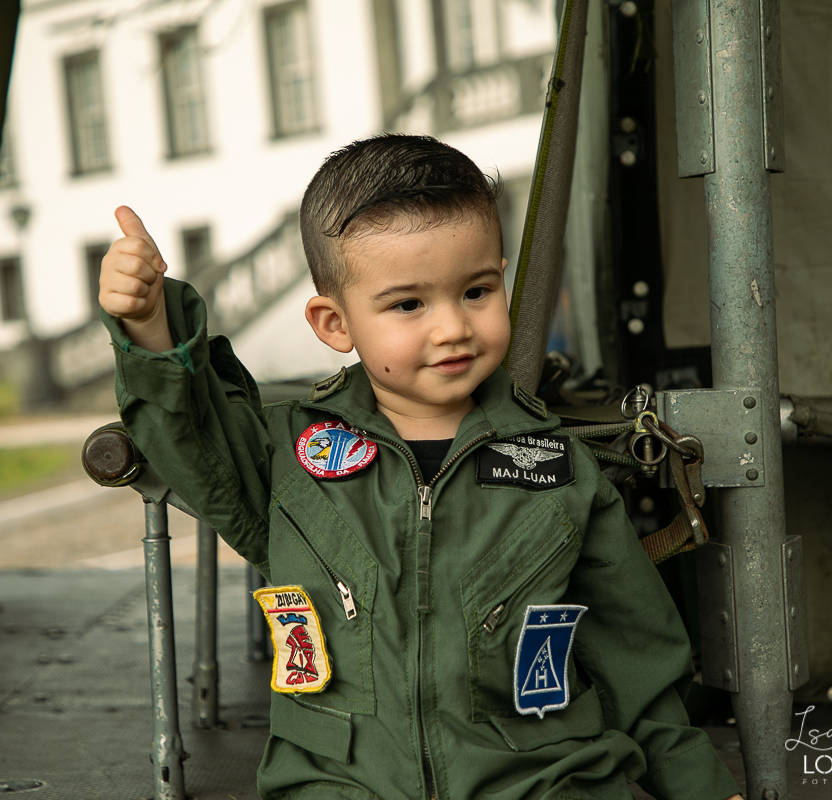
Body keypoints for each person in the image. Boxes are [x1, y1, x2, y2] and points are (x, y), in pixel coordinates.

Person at [98, 134, 742, 800]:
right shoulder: (287, 459)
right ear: (333, 323)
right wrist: (150, 324)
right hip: (339, 783)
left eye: (476, 291)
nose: (452, 328)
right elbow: (192, 438)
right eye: (409, 304)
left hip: (539, 780)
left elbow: (639, 665)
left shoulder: (561, 470)